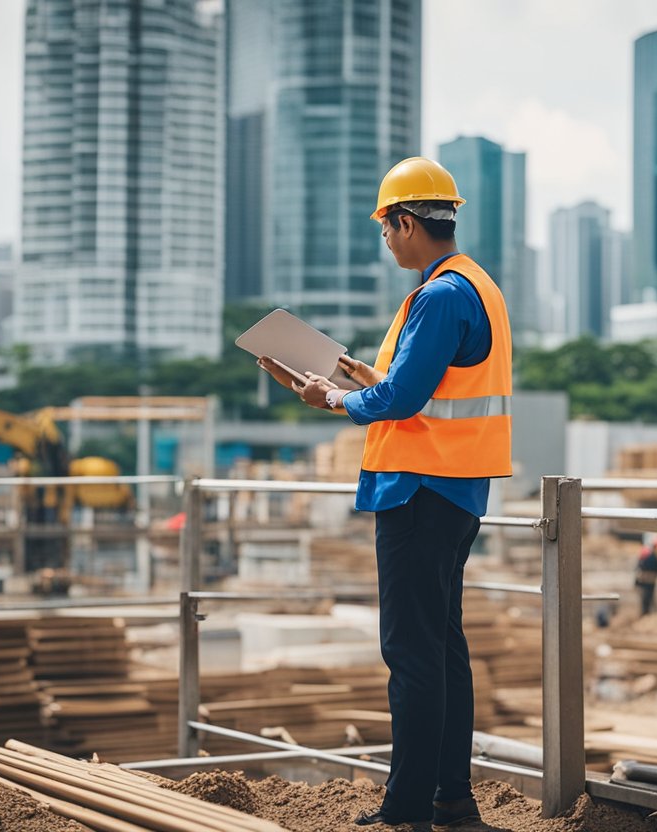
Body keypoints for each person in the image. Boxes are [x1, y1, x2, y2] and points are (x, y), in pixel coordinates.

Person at [259, 156, 512, 828]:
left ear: (405, 221)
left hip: (418, 491)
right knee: (442, 649)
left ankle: (407, 811)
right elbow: (425, 389)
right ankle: (451, 801)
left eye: (386, 228)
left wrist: (334, 395)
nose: (386, 240)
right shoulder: (473, 286)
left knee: (410, 654)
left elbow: (401, 400)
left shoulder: (436, 297)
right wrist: (364, 376)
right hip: (454, 491)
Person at [634, 536, 657, 617]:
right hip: (647, 581)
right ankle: (645, 615)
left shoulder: (650, 554)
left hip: (645, 580)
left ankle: (646, 615)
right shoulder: (652, 557)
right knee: (647, 599)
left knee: (646, 600)